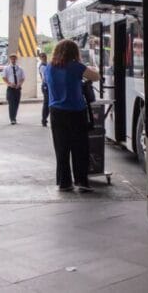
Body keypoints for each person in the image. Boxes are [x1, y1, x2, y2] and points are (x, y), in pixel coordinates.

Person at [44, 39, 101, 192]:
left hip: (56, 112)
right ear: (73, 52)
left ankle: (64, 183)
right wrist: (92, 68)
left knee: (61, 148)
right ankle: (81, 181)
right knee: (79, 147)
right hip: (76, 112)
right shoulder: (75, 66)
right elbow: (96, 77)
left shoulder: (48, 68)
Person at [2, 53, 25, 124]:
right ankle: (12, 119)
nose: (13, 60)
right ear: (10, 59)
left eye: (14, 58)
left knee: (16, 104)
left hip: (17, 88)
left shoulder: (20, 68)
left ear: (16, 59)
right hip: (10, 88)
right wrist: (9, 83)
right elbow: (4, 78)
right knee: (11, 104)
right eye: (12, 58)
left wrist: (20, 84)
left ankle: (14, 117)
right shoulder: (6, 68)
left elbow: (22, 78)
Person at [38, 52, 49, 127]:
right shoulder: (42, 66)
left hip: (47, 85)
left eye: (44, 56)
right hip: (46, 86)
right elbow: (45, 78)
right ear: (40, 58)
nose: (44, 57)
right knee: (46, 103)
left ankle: (45, 119)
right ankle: (44, 119)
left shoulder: (47, 64)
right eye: (42, 56)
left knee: (49, 103)